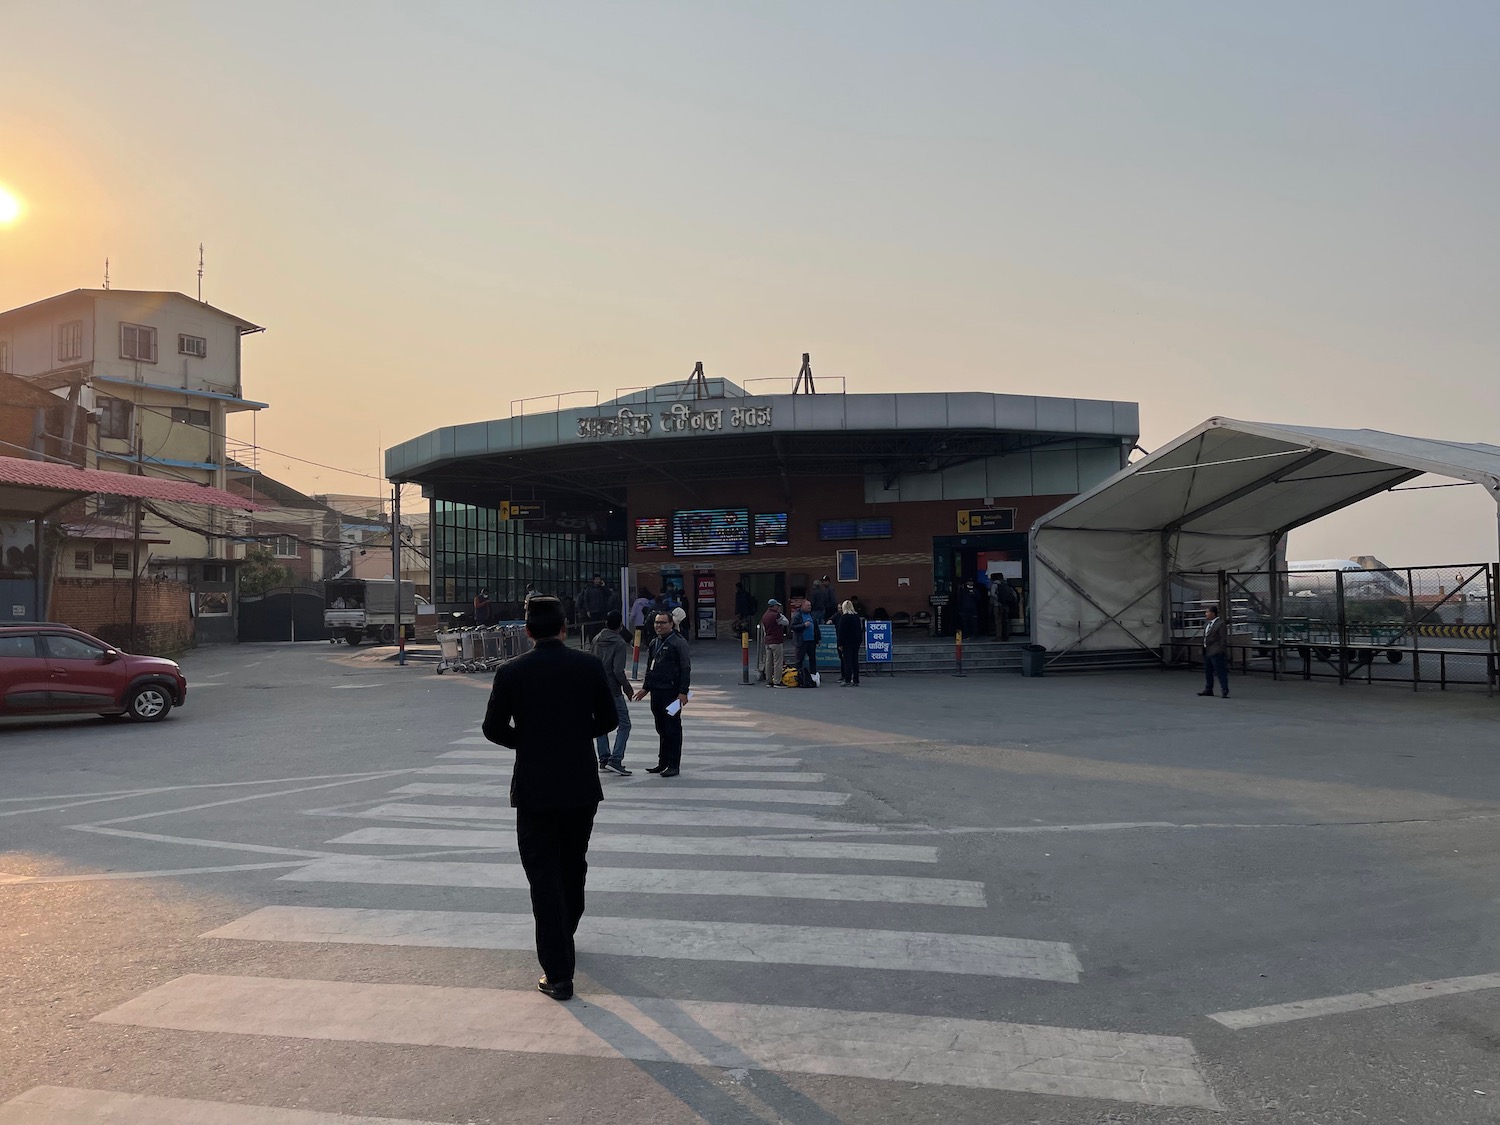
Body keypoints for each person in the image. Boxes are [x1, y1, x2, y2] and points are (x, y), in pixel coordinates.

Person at [481, 596, 618, 1002]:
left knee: (543, 877)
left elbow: (492, 728)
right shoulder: (588, 665)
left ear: (527, 632)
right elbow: (609, 720)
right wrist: (574, 734)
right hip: (579, 785)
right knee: (574, 864)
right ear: (564, 628)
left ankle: (558, 975)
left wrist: (528, 741)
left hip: (535, 790)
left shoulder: (511, 671)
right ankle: (565, 932)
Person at [634, 611, 691, 776]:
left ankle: (674, 764)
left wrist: (683, 692)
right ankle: (663, 762)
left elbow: (685, 668)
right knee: (661, 728)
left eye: (663, 623)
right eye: (657, 623)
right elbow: (649, 667)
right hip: (657, 692)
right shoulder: (654, 643)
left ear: (671, 624)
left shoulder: (678, 643)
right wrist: (646, 687)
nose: (659, 626)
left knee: (672, 727)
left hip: (672, 693)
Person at [591, 609, 634, 775]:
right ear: (620, 625)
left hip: (596, 689)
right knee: (624, 724)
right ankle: (616, 759)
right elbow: (618, 670)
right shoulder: (619, 643)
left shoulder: (596, 639)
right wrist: (627, 688)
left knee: (600, 724)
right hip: (613, 690)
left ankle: (603, 758)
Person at [1199, 605, 1229, 699]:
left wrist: (1220, 649)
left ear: (1213, 613)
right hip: (1207, 651)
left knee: (1220, 671)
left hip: (1215, 651)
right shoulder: (1207, 624)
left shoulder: (1220, 624)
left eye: (1207, 612)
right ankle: (1209, 689)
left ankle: (1224, 689)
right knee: (1208, 671)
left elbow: (1223, 638)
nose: (1206, 614)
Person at [760, 599, 788, 687]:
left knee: (768, 661)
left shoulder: (765, 615)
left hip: (767, 641)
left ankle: (768, 681)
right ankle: (777, 681)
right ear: (774, 606)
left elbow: (764, 629)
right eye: (777, 606)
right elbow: (786, 622)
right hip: (776, 641)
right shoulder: (776, 615)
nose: (779, 607)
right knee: (777, 662)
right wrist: (781, 615)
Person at [834, 599, 862, 686]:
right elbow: (859, 630)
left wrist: (840, 644)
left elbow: (841, 632)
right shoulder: (856, 617)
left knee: (847, 661)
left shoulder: (844, 617)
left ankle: (848, 680)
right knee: (855, 660)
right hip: (856, 642)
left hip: (847, 642)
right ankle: (856, 679)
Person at [578, 575, 611, 642]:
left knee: (600, 627)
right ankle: (592, 642)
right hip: (593, 611)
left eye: (599, 579)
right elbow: (586, 600)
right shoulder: (589, 589)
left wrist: (604, 586)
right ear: (593, 580)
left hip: (601, 611)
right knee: (592, 628)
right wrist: (588, 610)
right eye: (597, 579)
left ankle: (600, 640)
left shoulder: (601, 589)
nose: (598, 580)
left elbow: (608, 594)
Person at [989, 577, 1019, 641]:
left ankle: (998, 636)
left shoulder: (994, 585)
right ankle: (1006, 636)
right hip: (1006, 605)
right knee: (1005, 621)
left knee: (998, 621)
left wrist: (999, 599)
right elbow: (1013, 594)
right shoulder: (1006, 584)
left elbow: (992, 594)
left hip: (997, 605)